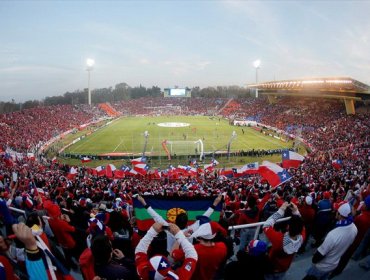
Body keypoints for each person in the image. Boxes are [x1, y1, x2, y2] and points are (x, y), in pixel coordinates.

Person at [304, 202, 358, 280]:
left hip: (322, 266)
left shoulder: (333, 235)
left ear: (339, 215)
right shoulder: (354, 228)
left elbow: (318, 256)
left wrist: (314, 259)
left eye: (337, 212)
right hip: (334, 264)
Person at [263, 202, 305, 280]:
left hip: (271, 268)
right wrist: (296, 212)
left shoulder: (279, 239)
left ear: (288, 227)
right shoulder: (302, 238)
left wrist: (281, 210)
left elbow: (266, 225)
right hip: (284, 268)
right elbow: (302, 225)